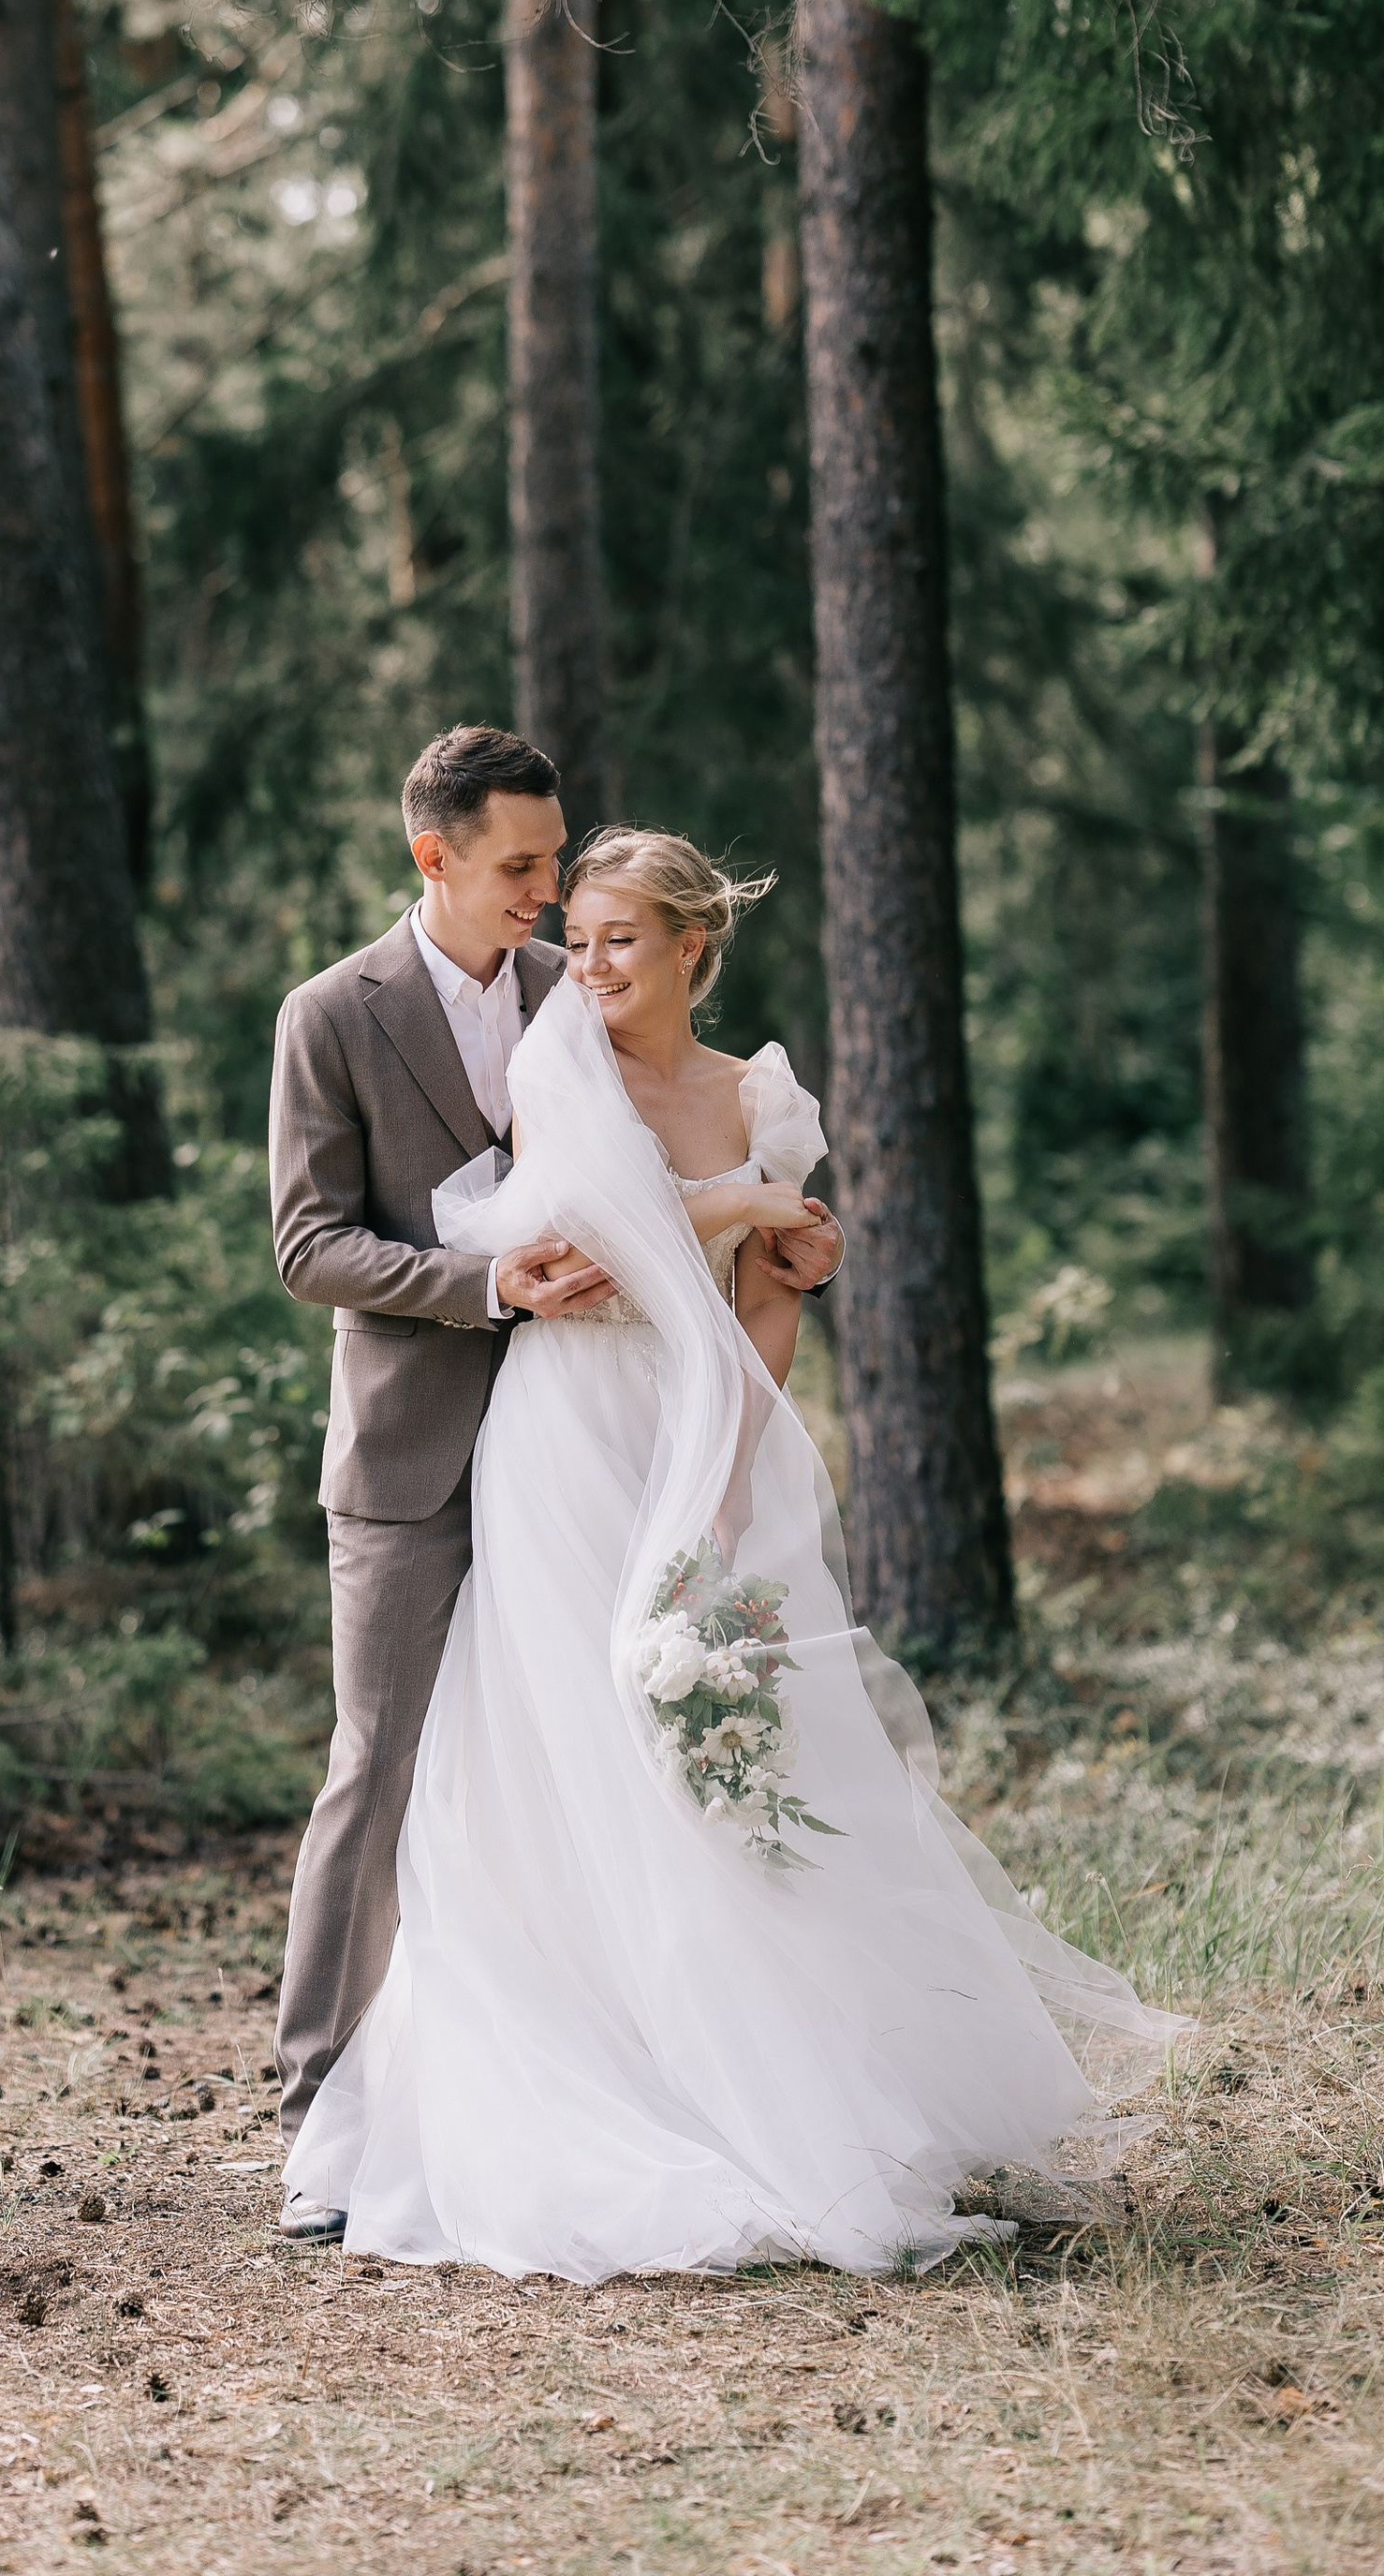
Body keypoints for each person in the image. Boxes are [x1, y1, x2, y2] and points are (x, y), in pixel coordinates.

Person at [279, 824, 1185, 2280]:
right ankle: (591, 2061)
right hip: (564, 1436)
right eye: (573, 934)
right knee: (567, 1740)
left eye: (618, 939)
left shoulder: (764, 1096)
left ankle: (772, 2075)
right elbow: (590, 1241)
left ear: (696, 946)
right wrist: (746, 1206)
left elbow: (767, 1306)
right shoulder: (555, 1054)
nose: (584, 962)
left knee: (741, 1742)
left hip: (706, 1433)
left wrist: (735, 1454)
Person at [267, 724, 620, 2232]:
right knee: (381, 1764)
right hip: (407, 1455)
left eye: (555, 855)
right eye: (524, 864)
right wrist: (486, 1288)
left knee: (567, 1772)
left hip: (571, 1444)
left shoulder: (571, 995)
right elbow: (307, 1242)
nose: (552, 888)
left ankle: (551, 2095)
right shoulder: (330, 1015)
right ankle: (317, 2120)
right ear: (437, 857)